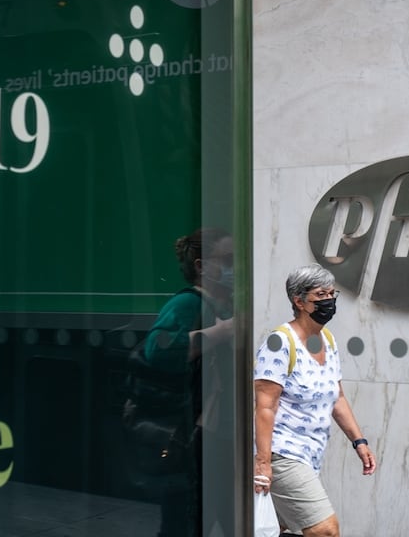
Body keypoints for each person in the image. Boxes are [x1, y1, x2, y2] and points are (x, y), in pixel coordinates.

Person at [123, 227, 234, 537]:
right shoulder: (188, 304)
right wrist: (221, 333)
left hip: (217, 436)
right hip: (193, 437)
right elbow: (157, 351)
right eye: (227, 259)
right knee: (184, 521)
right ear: (200, 266)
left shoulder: (227, 305)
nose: (234, 268)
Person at [253, 264, 376, 537]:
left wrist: (359, 441)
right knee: (325, 530)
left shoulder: (327, 340)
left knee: (274, 529)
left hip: (310, 453)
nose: (329, 301)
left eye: (332, 293)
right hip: (283, 454)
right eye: (321, 295)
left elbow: (337, 395)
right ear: (299, 301)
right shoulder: (279, 343)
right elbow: (265, 406)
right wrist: (263, 463)